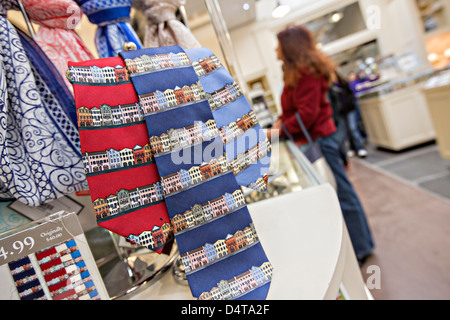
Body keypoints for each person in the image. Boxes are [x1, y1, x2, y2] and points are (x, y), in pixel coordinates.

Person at [269, 24, 374, 264]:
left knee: (342, 192)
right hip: (317, 138)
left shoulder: (306, 72)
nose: (276, 50)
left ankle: (361, 247)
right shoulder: (297, 71)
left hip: (321, 140)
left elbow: (307, 114)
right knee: (337, 191)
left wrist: (279, 129)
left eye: (278, 45)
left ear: (289, 47)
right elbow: (297, 110)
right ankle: (357, 245)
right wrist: (281, 121)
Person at [329, 72, 368, 159]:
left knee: (353, 128)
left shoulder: (344, 84)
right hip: (340, 112)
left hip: (350, 109)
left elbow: (350, 95)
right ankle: (352, 148)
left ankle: (360, 147)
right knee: (345, 131)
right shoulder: (330, 88)